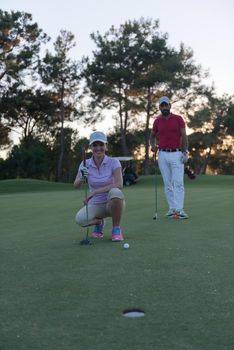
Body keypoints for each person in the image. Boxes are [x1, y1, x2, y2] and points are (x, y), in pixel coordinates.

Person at [74, 131, 125, 241]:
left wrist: (95, 192)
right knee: (80, 220)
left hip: (112, 203)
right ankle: (99, 222)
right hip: (95, 204)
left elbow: (119, 184)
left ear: (106, 146)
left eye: (101, 144)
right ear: (91, 147)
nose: (98, 148)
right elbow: (76, 185)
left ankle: (116, 229)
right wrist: (82, 177)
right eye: (95, 145)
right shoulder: (84, 164)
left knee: (116, 192)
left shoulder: (114, 162)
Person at [150, 96, 189, 219]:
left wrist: (185, 151)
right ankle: (172, 208)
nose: (164, 107)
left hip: (177, 153)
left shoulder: (178, 119)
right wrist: (152, 146)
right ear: (160, 107)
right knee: (167, 184)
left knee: (178, 182)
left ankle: (180, 209)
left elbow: (184, 135)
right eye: (162, 105)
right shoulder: (157, 121)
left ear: (170, 105)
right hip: (162, 154)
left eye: (166, 105)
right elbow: (152, 137)